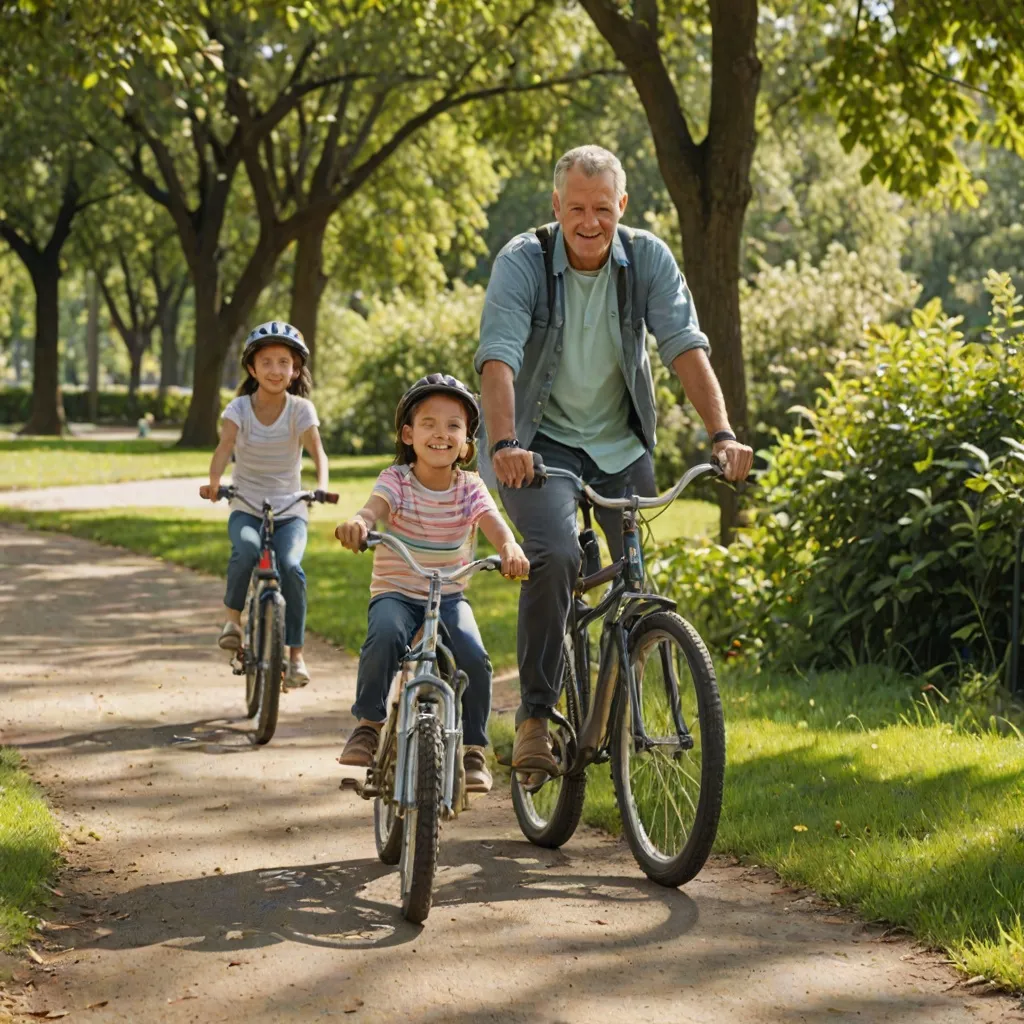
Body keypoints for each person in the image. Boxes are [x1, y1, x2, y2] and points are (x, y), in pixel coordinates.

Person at [474, 144, 754, 775]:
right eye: (577, 207)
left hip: (619, 446)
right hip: (535, 447)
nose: (590, 221)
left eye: (603, 207)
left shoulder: (646, 258)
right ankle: (536, 717)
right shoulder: (524, 260)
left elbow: (685, 347)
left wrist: (722, 434)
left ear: (622, 205)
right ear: (556, 205)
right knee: (556, 555)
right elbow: (499, 358)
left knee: (635, 578)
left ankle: (616, 691)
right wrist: (502, 445)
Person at [334, 373, 529, 794]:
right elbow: (373, 509)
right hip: (397, 593)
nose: (441, 434)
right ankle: (368, 724)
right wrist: (359, 522)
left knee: (474, 657)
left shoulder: (470, 487)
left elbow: (493, 523)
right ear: (408, 434)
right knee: (384, 636)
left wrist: (510, 546)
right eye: (429, 424)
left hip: (450, 596)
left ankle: (474, 747)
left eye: (453, 426)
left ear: (466, 442)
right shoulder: (397, 479)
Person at [199, 321, 329, 689]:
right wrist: (213, 483)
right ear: (252, 369)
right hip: (245, 503)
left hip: (290, 509)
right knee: (246, 551)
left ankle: (296, 656)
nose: (275, 369)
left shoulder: (300, 410)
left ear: (295, 370)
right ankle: (232, 621)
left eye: (283, 362)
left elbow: (318, 453)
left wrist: (320, 488)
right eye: (266, 362)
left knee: (291, 567)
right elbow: (224, 449)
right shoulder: (239, 408)